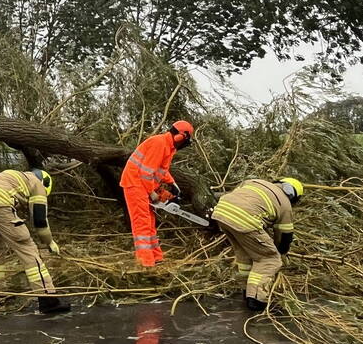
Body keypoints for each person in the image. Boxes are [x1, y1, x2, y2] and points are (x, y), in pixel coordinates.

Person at [0, 167, 70, 314]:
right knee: (27, 248)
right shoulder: (38, 185)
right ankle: (47, 298)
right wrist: (49, 242)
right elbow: (39, 220)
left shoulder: (14, 176)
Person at [211, 177, 303, 311]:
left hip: (221, 212)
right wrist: (281, 252)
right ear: (294, 196)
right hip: (245, 220)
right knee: (269, 259)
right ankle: (256, 299)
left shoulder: (255, 182)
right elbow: (284, 236)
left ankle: (245, 290)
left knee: (245, 254)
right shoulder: (285, 205)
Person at [120, 121, 194, 267]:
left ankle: (156, 258)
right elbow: (146, 173)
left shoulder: (169, 147)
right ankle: (146, 263)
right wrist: (152, 193)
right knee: (142, 223)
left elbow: (161, 170)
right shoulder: (159, 143)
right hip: (135, 183)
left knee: (150, 223)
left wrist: (173, 184)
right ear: (180, 136)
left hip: (142, 184)